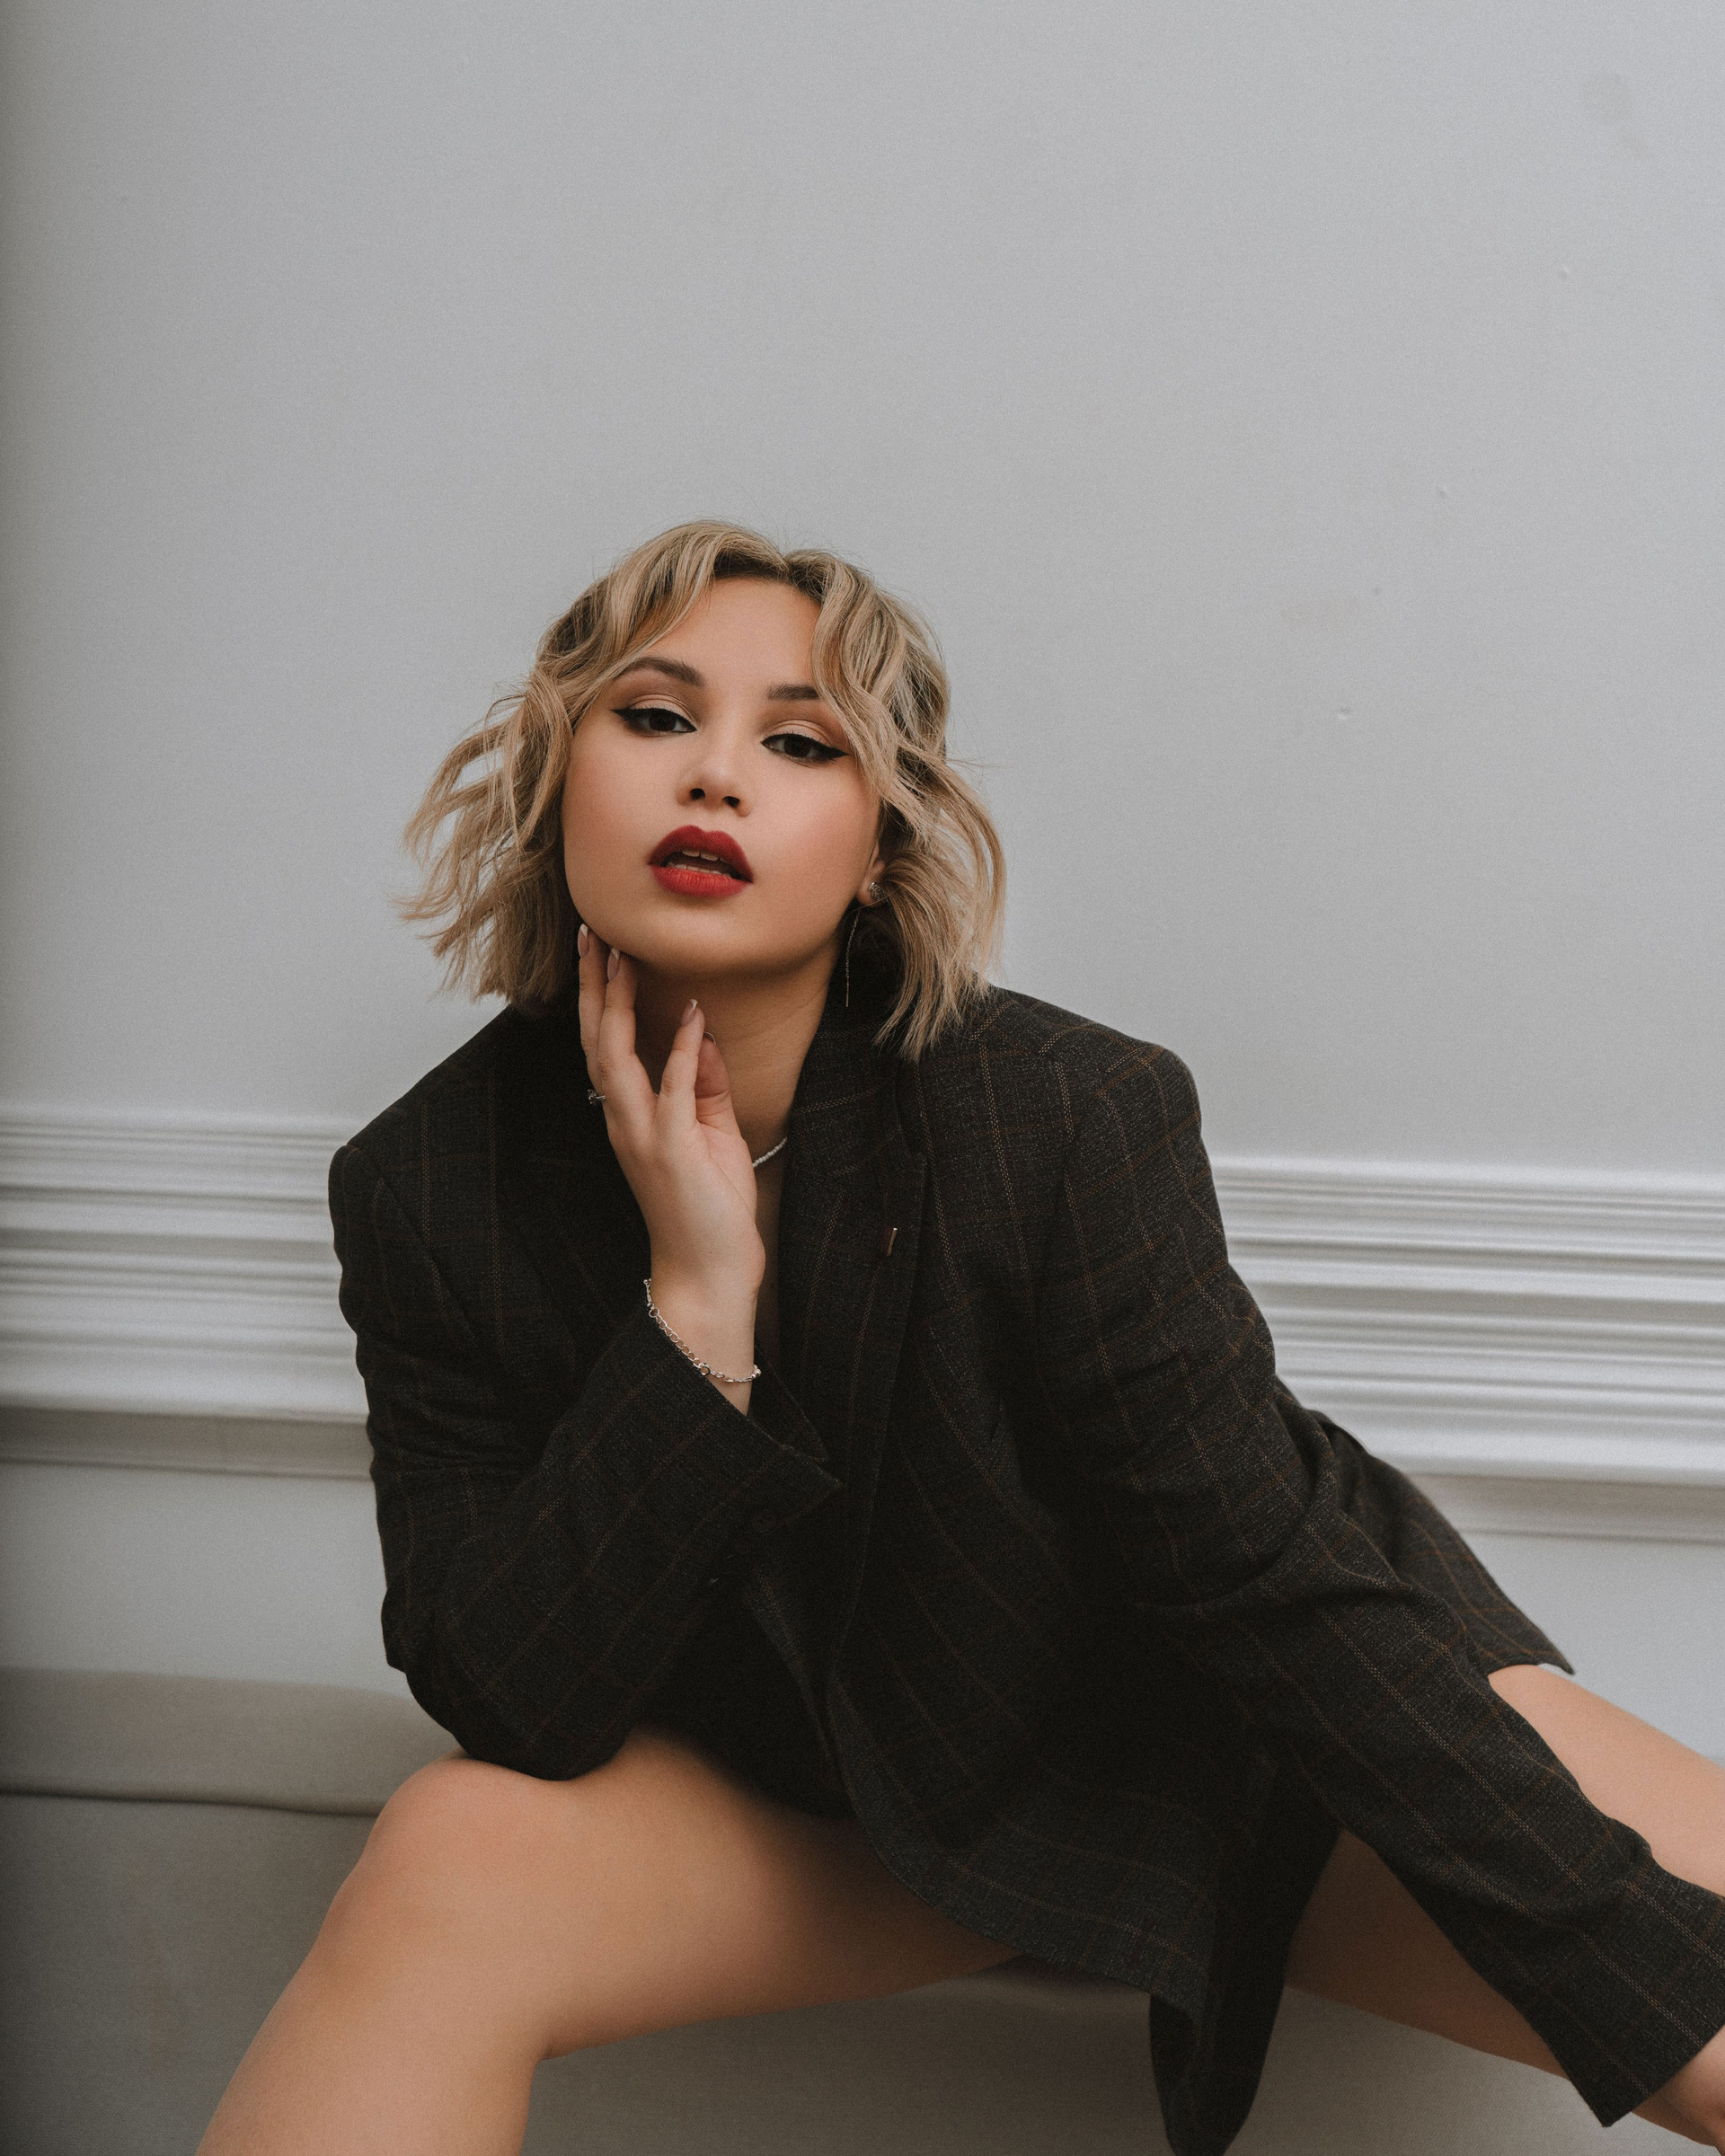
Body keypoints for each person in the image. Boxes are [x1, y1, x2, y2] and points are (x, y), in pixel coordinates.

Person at [199, 522, 1725, 2156]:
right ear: (552, 778)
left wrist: (1659, 1995)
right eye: (654, 716)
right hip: (839, 1808)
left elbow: (1268, 1594)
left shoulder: (1061, 1116)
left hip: (1216, 1733)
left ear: (880, 848)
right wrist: (694, 1312)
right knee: (449, 1852)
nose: (714, 775)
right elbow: (511, 1697)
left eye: (802, 743)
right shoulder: (428, 1187)